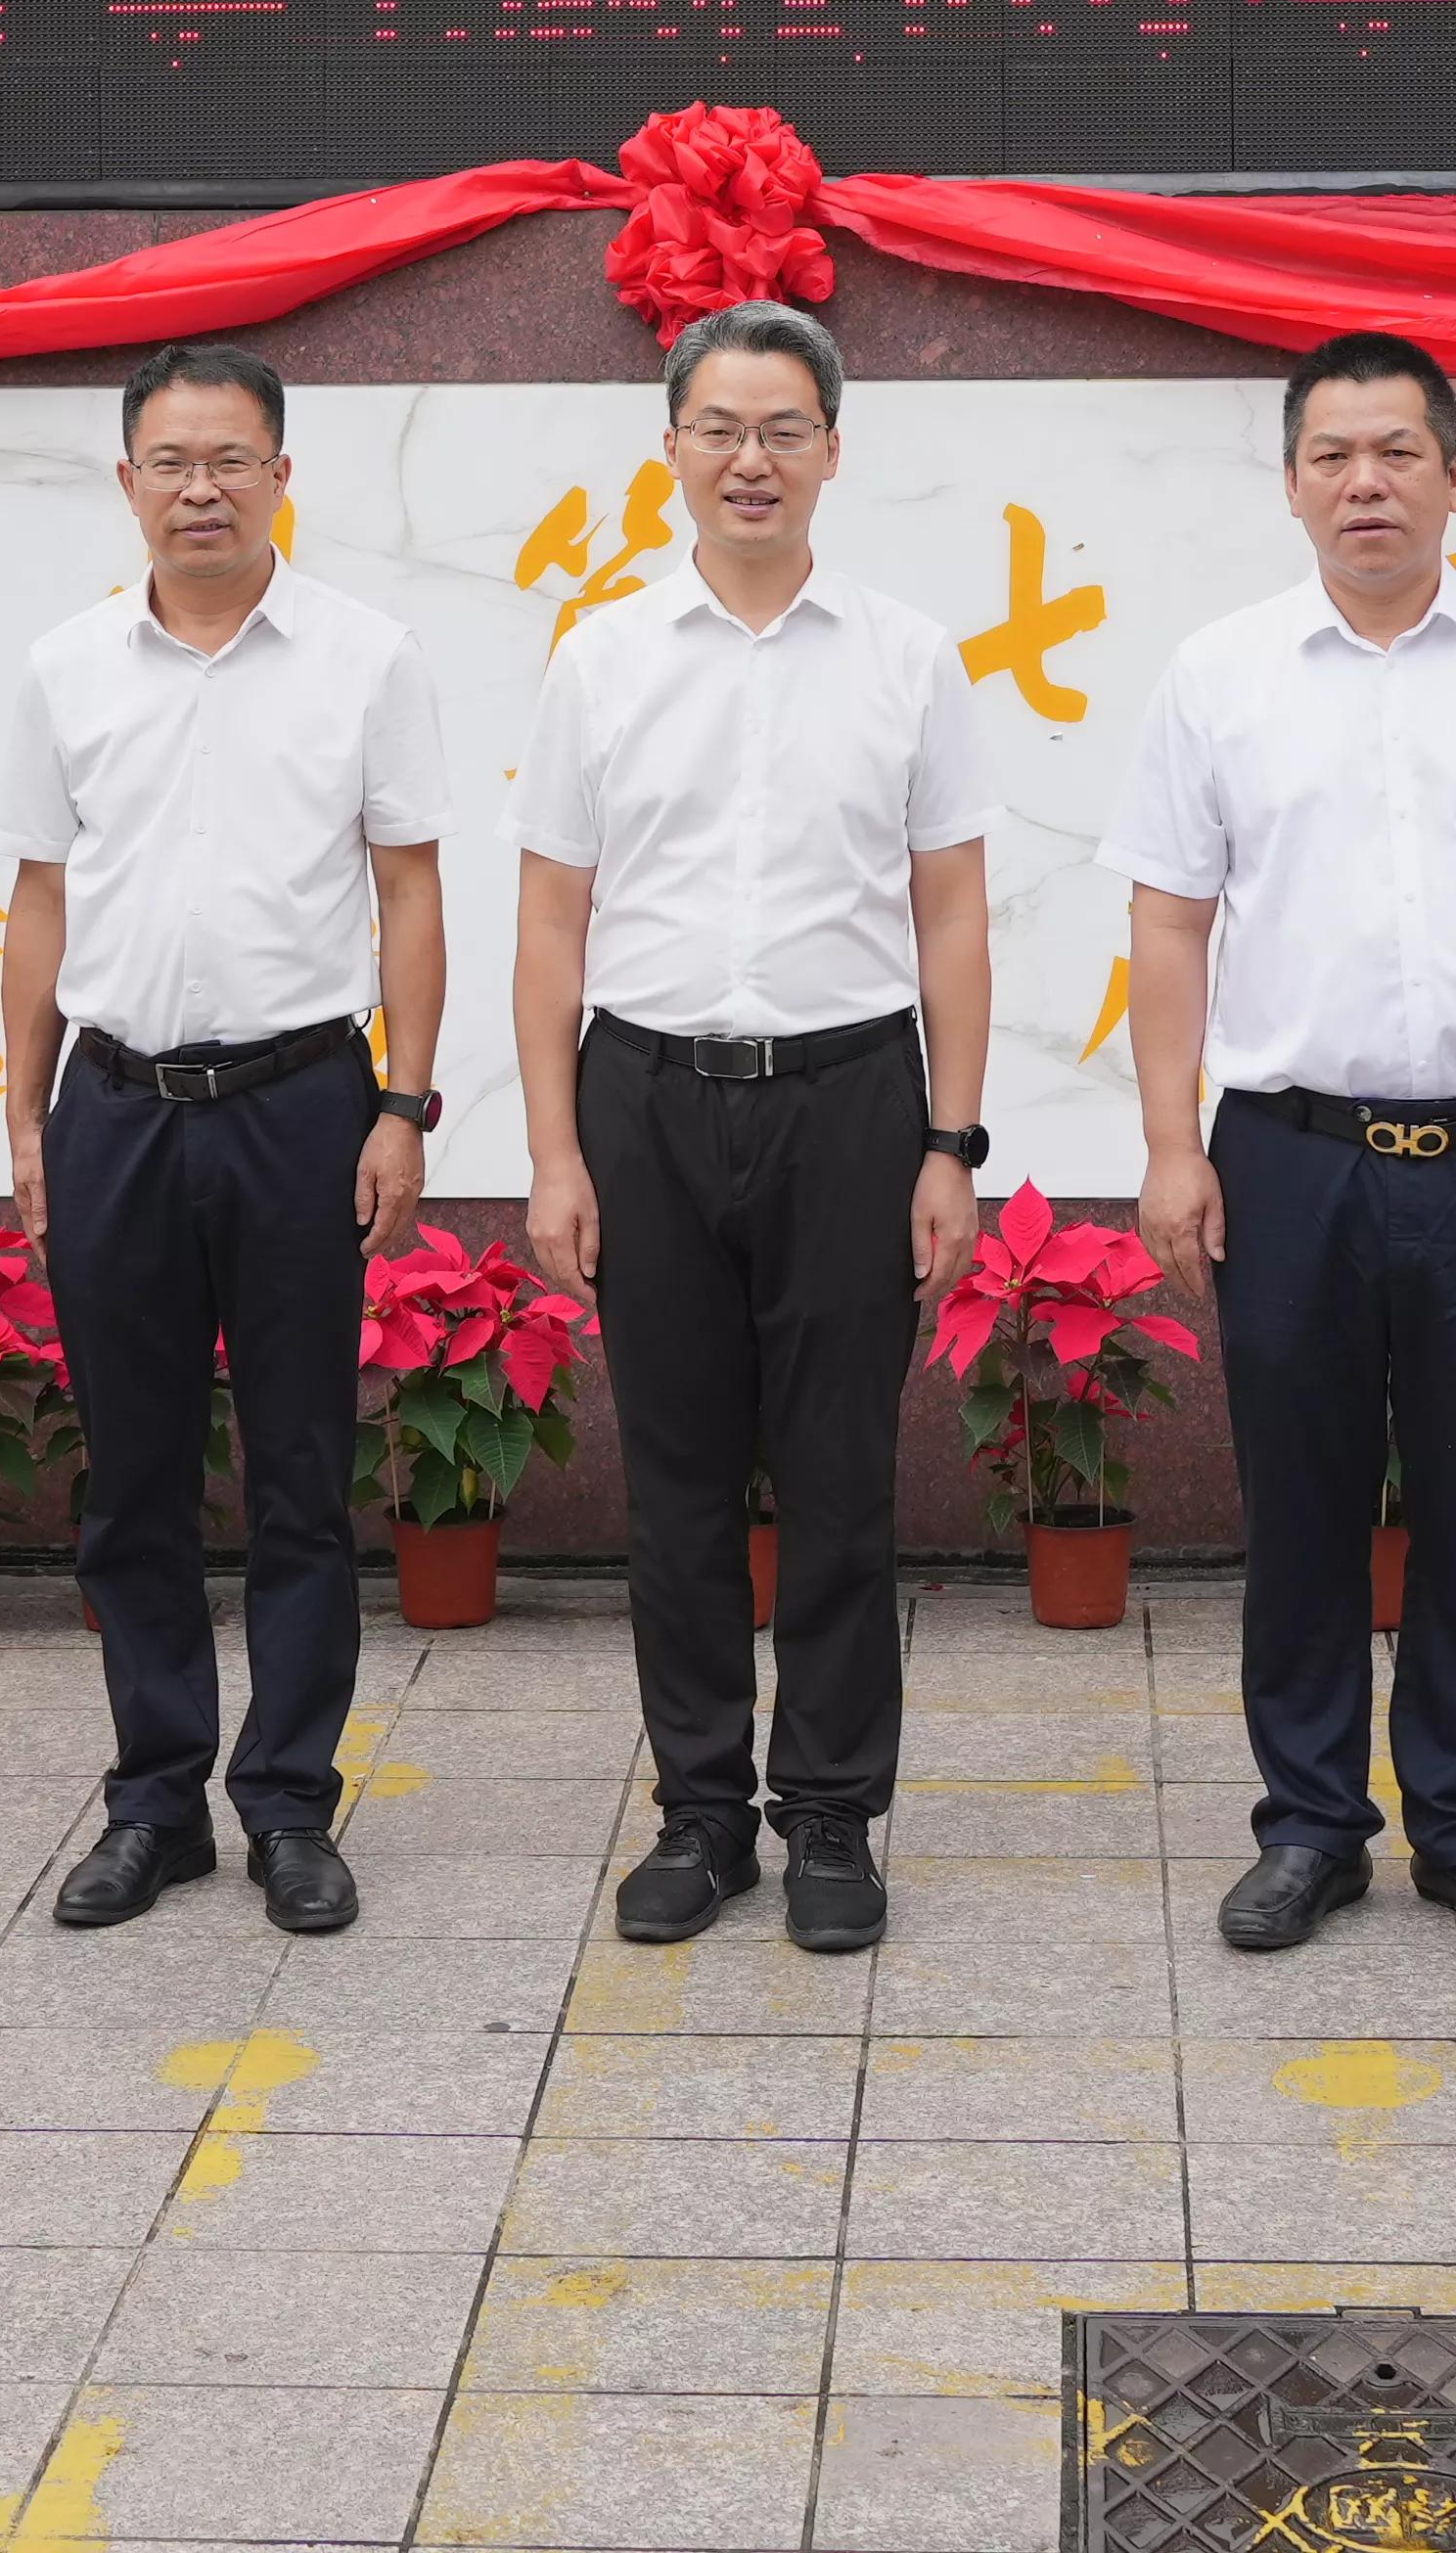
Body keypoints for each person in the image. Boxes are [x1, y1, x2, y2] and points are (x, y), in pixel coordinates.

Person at [1124, 333, 1456, 1960]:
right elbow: (1167, 920)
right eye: (1335, 455)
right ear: (1291, 483)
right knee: (1298, 1504)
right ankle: (1307, 1829)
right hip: (1287, 1158)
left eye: (1399, 453)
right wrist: (1170, 1142)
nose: (1368, 482)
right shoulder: (1218, 676)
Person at [516, 299, 991, 1959]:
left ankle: (836, 1819)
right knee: (680, 1482)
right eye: (718, 428)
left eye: (784, 429)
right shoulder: (603, 654)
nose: (750, 459)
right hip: (646, 1096)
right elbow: (554, 923)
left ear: (833, 452)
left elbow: (952, 914)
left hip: (854, 1100)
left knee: (844, 1482)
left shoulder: (908, 654)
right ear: (672, 451)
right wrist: (556, 1153)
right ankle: (703, 1815)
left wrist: (954, 1141)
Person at [0, 342, 451, 1938]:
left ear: (278, 476)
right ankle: (152, 1803)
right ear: (127, 482)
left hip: (303, 1107)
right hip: (114, 1105)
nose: (202, 487)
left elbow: (408, 887)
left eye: (232, 459)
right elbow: (41, 897)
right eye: (172, 461)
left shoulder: (365, 656)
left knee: (300, 1475)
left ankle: (288, 1806)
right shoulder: (66, 666)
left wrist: (403, 1101)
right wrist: (24, 1112)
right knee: (130, 1479)